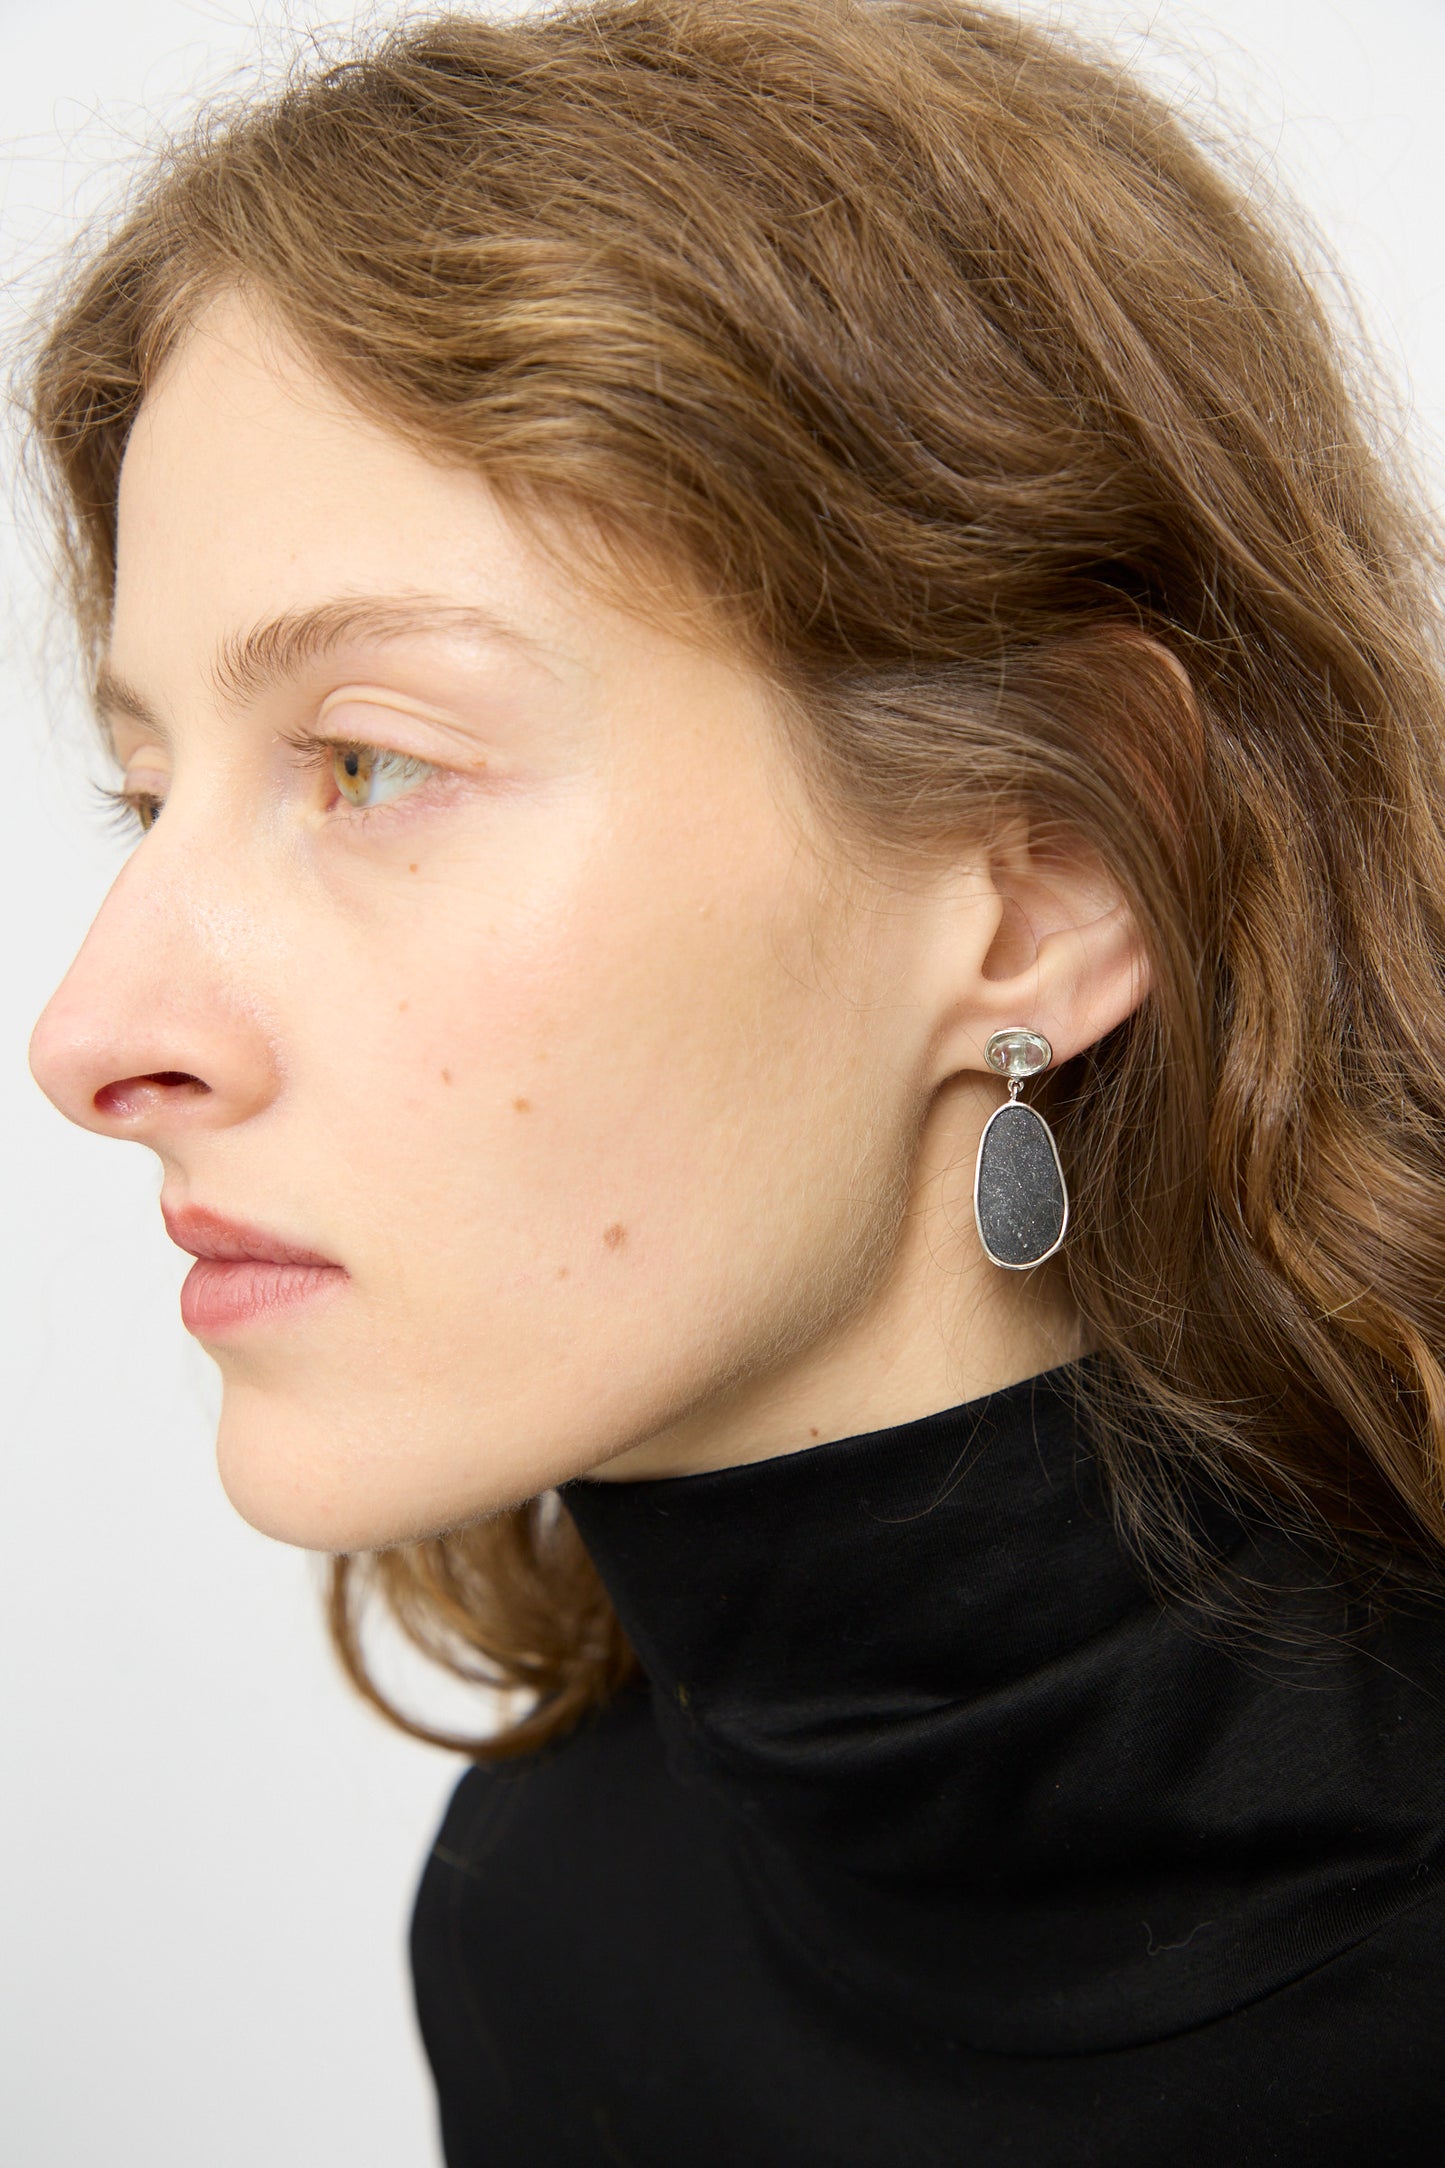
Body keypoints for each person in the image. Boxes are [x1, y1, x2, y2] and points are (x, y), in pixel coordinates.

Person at [23, 0, 1445, 2157]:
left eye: (371, 761)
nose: (91, 1038)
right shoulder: (545, 1910)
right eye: (152, 797)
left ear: (1044, 877)